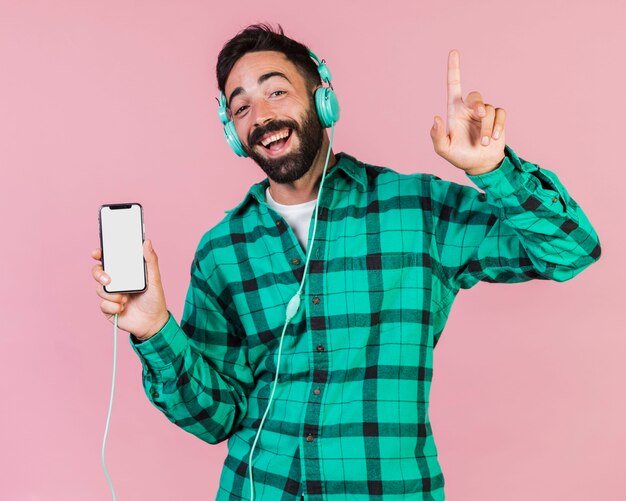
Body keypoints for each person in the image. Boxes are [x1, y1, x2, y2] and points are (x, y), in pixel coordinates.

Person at [91, 24, 600, 501]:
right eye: (240, 107)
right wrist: (154, 328)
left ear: (323, 99)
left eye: (275, 91)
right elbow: (216, 418)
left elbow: (571, 250)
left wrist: (494, 170)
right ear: (231, 131)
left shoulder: (417, 210)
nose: (260, 117)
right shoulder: (222, 250)